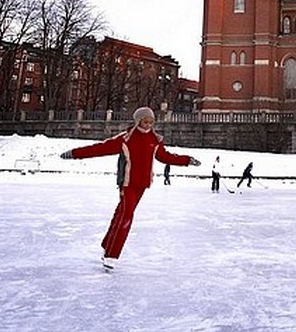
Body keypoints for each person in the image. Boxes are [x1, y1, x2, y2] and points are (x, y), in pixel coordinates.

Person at [59, 107, 200, 270]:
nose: (148, 125)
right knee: (126, 216)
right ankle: (111, 255)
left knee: (121, 212)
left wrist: (187, 160)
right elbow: (100, 148)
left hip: (143, 184)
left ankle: (107, 243)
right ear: (138, 121)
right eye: (145, 122)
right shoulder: (126, 138)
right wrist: (74, 153)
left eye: (151, 122)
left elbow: (165, 157)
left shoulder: (155, 139)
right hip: (127, 183)